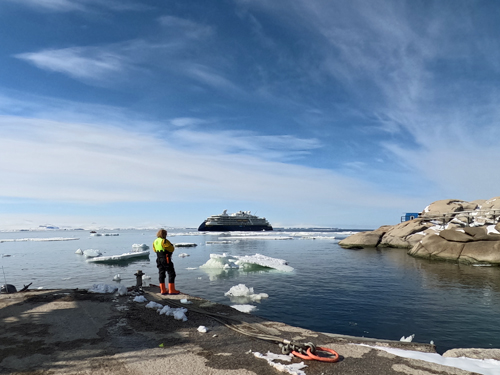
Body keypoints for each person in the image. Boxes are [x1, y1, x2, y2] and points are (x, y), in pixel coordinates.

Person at [153, 229, 180, 295]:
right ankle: (171, 290)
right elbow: (171, 249)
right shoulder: (164, 241)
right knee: (171, 273)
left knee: (161, 273)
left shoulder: (155, 241)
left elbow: (154, 250)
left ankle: (163, 290)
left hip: (159, 259)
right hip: (166, 259)